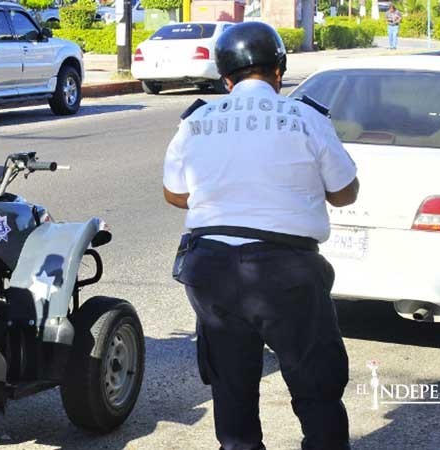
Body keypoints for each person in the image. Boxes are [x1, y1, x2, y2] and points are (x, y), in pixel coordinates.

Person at [162, 21, 360, 450]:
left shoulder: (196, 122)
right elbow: (345, 193)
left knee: (231, 390)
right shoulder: (306, 116)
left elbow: (175, 195)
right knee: (316, 387)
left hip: (210, 269)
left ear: (225, 77)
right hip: (286, 271)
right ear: (279, 71)